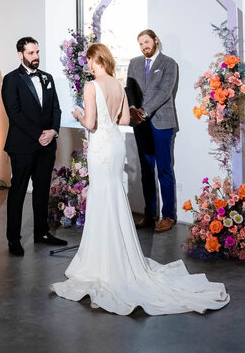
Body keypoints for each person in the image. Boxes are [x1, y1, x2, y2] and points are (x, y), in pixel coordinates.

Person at [51, 43, 229, 314]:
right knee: (114, 196)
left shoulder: (91, 86)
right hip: (116, 144)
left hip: (100, 147)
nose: (87, 64)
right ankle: (119, 255)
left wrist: (76, 113)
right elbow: (124, 119)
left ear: (94, 60)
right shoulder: (118, 85)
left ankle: (99, 259)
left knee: (101, 195)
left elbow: (89, 123)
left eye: (89, 60)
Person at [1, 37, 66, 256]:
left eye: (37, 52)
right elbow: (14, 113)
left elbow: (56, 108)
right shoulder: (11, 79)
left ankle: (42, 233)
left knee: (41, 192)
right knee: (18, 192)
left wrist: (53, 131)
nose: (36, 57)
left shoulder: (47, 78)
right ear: (20, 55)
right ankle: (14, 239)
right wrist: (39, 134)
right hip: (22, 146)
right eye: (31, 53)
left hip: (47, 145)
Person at [125, 29, 179, 232]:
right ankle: (149, 214)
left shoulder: (169, 63)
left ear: (156, 40)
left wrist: (144, 111)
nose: (144, 46)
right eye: (140, 43)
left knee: (164, 169)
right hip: (140, 124)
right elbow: (129, 89)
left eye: (146, 42)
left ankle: (168, 216)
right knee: (146, 171)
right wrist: (132, 109)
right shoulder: (134, 63)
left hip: (161, 123)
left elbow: (165, 92)